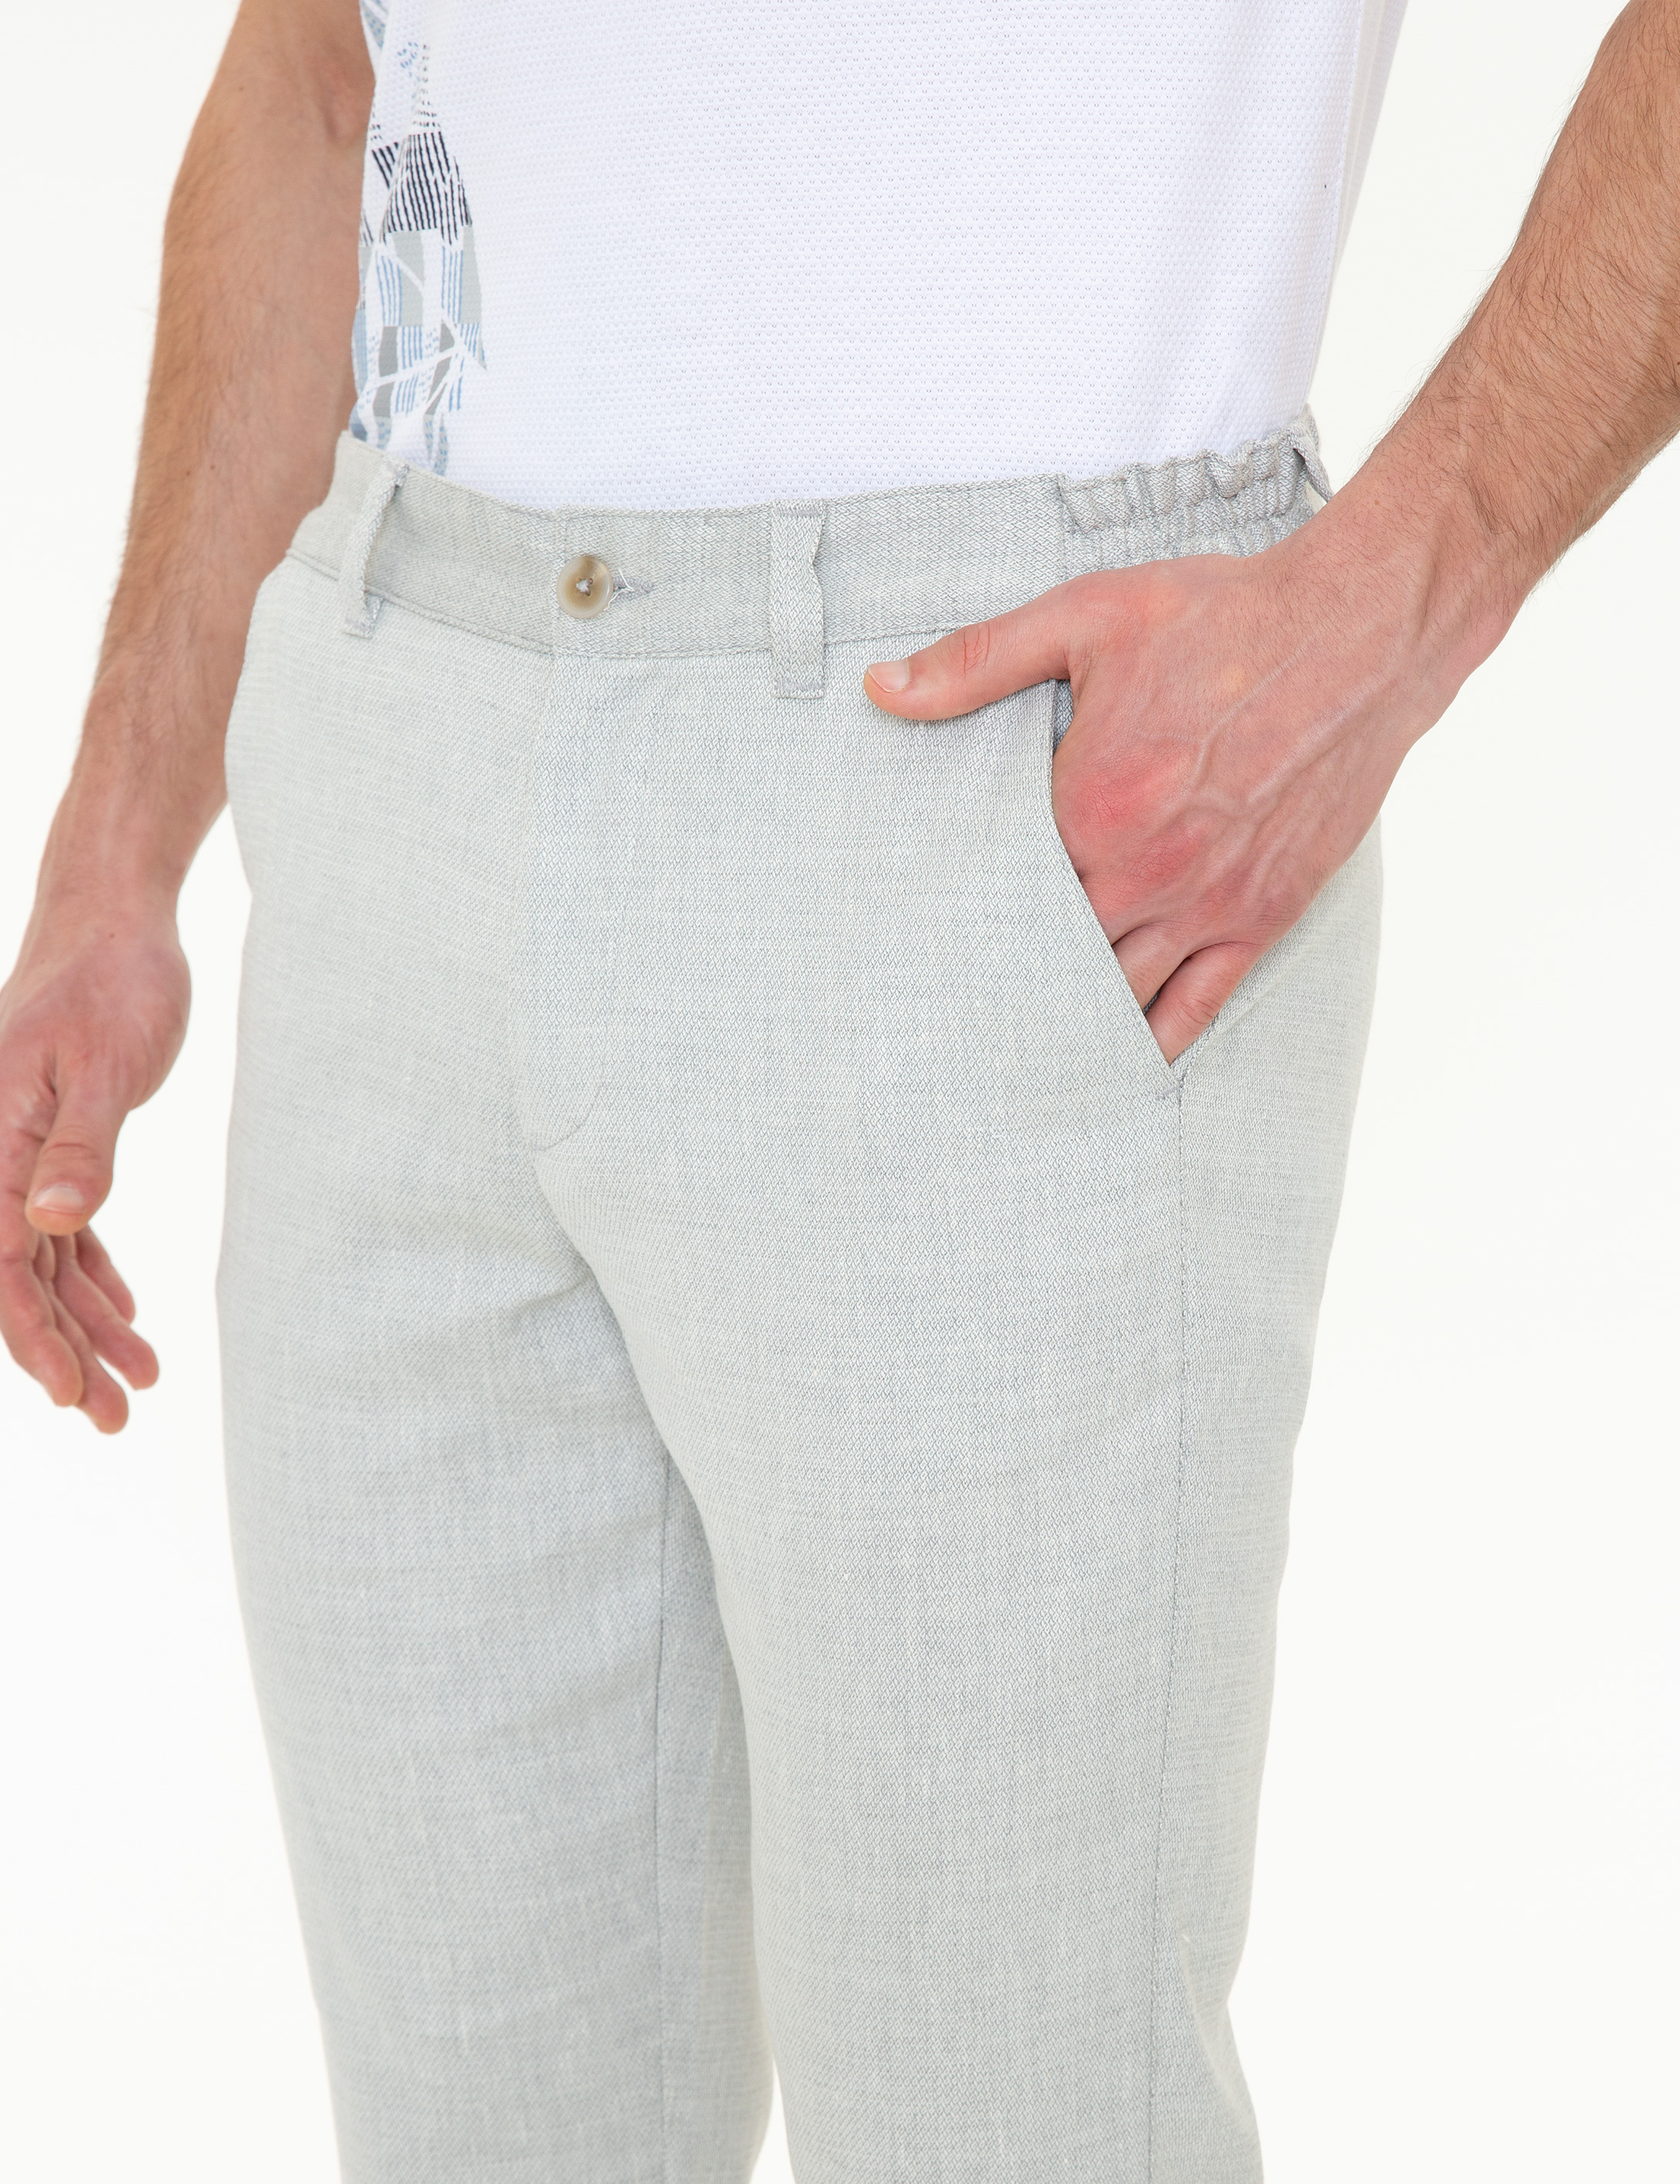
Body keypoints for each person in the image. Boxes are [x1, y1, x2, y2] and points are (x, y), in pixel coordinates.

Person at [2, 0, 1675, 2177]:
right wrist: (114, 856)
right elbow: (321, 75)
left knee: (1013, 2113)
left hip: (986, 771)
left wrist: (1407, 582)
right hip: (398, 744)